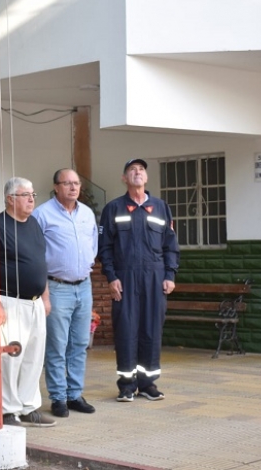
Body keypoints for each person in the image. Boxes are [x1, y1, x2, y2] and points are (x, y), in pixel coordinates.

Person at [98, 158, 179, 402]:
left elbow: (171, 245)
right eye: (132, 170)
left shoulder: (161, 207)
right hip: (126, 276)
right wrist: (111, 277)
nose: (137, 173)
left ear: (146, 177)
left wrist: (170, 274)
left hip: (155, 277)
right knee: (126, 330)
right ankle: (126, 384)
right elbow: (105, 248)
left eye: (141, 170)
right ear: (124, 178)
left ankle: (147, 384)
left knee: (152, 330)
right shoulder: (114, 208)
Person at [0, 177, 55, 428]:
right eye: (25, 195)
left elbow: (40, 263)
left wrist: (45, 297)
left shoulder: (33, 224)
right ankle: (8, 411)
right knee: (10, 359)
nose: (32, 199)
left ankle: (29, 406)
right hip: (8, 302)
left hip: (34, 303)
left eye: (33, 194)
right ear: (10, 199)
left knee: (34, 357)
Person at [33, 168, 97, 418]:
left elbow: (93, 245)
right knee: (57, 345)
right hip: (56, 287)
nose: (73, 188)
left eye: (76, 183)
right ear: (56, 187)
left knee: (80, 343)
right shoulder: (42, 214)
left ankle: (75, 394)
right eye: (67, 183)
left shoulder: (88, 214)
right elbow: (37, 254)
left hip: (84, 285)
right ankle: (58, 397)